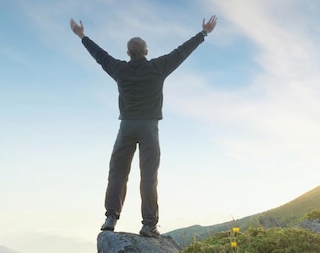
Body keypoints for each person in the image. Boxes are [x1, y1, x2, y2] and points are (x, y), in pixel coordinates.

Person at [70, 15, 218, 237]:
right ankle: (149, 224)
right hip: (149, 128)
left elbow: (100, 55)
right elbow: (181, 52)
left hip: (127, 128)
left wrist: (82, 36)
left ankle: (111, 217)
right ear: (146, 52)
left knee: (118, 173)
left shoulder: (119, 69)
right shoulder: (158, 67)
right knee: (149, 176)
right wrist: (203, 33)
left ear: (128, 53)